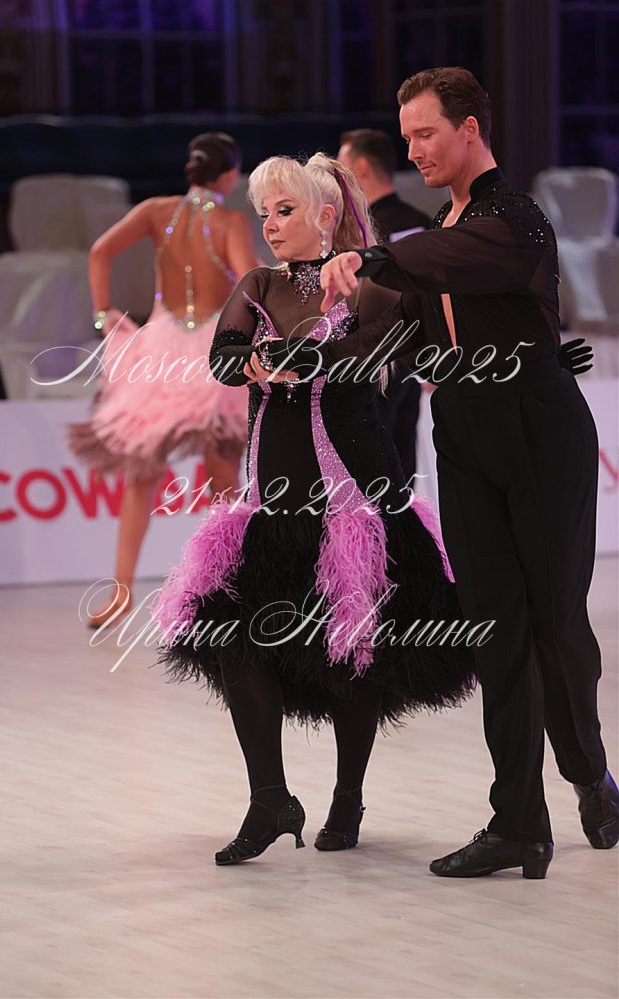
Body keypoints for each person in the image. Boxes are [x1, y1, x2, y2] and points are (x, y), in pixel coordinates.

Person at [278, 67, 617, 879]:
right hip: (462, 435)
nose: (415, 151)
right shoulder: (438, 226)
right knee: (494, 632)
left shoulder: (514, 219)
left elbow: (449, 260)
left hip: (538, 430)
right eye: (406, 138)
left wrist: (372, 256)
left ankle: (589, 775)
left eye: (426, 134)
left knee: (555, 625)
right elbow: (396, 329)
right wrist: (303, 355)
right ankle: (518, 823)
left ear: (470, 129)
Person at [152, 152, 475, 866]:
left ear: (325, 216)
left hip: (356, 498)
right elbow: (222, 356)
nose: (270, 224)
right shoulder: (258, 284)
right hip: (271, 503)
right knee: (234, 640)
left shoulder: (370, 285)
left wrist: (307, 356)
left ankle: (347, 796)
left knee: (355, 650)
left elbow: (377, 349)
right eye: (264, 212)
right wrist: (249, 361)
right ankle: (269, 796)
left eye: (285, 210)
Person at [68, 133, 260, 629]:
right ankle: (228, 587)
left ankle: (121, 591)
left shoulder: (157, 211)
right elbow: (250, 283)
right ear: (230, 175)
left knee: (141, 473)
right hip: (212, 349)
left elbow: (99, 252)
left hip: (161, 347)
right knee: (223, 473)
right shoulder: (230, 222)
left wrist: (102, 314)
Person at [338, 129, 429, 484]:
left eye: (342, 166)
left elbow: (423, 291)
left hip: (376, 365)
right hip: (405, 360)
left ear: (360, 168)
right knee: (399, 468)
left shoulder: (364, 230)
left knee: (376, 472)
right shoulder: (415, 220)